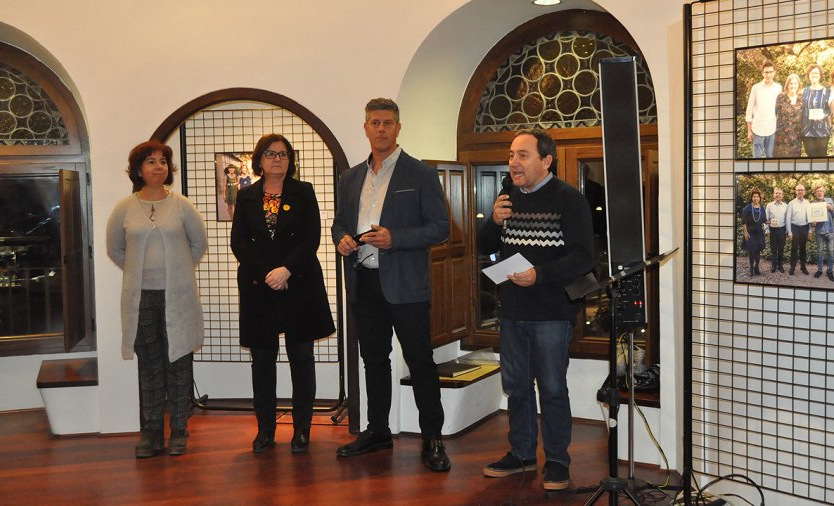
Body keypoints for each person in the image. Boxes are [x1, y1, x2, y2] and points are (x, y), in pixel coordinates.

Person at [331, 98, 451, 472]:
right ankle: (378, 429)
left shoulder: (420, 174)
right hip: (364, 282)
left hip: (407, 286)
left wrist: (394, 238)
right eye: (374, 123)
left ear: (398, 128)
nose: (381, 129)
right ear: (365, 128)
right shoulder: (350, 177)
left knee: (420, 362)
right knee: (373, 362)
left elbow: (441, 228)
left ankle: (432, 438)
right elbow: (339, 224)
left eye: (387, 123)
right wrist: (343, 240)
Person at [478, 130, 595, 491]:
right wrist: (493, 222)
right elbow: (484, 246)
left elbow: (583, 257)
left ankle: (558, 460)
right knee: (516, 387)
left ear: (546, 161)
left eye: (523, 155)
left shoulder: (568, 199)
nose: (514, 162)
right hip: (512, 309)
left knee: (552, 388)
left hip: (551, 312)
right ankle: (522, 453)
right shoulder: (507, 197)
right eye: (512, 154)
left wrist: (539, 274)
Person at [230, 133, 335, 454]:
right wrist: (268, 273)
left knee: (302, 358)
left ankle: (302, 430)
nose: (278, 159)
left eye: (284, 154)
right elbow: (240, 243)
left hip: (299, 283)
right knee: (262, 361)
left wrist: (286, 269)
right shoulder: (246, 195)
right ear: (259, 160)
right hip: (259, 288)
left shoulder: (303, 192)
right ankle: (265, 430)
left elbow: (311, 238)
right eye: (271, 154)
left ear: (291, 161)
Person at [106, 140, 208, 458]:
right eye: (151, 161)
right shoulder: (124, 207)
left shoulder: (182, 206)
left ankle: (179, 430)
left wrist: (175, 272)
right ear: (138, 169)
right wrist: (142, 274)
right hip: (141, 299)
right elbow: (115, 249)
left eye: (163, 161)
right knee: (149, 367)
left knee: (178, 363)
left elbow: (198, 244)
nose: (158, 166)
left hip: (178, 297)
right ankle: (151, 432)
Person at [745, 60, 781, 158]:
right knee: (757, 158)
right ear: (762, 73)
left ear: (774, 72)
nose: (768, 74)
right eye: (766, 72)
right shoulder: (756, 88)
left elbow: (780, 109)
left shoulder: (778, 88)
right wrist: (749, 131)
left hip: (772, 129)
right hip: (758, 129)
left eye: (770, 72)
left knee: (770, 156)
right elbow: (749, 110)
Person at [800, 64, 833, 157]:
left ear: (820, 75)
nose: (814, 75)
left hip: (822, 129)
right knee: (811, 157)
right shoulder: (803, 91)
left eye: (816, 73)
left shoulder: (828, 92)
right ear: (808, 75)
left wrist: (824, 114)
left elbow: (831, 111)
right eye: (812, 73)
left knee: (821, 157)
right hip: (807, 130)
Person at [773, 73, 803, 157]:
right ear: (787, 85)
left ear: (798, 84)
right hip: (782, 136)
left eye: (795, 83)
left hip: (796, 137)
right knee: (781, 163)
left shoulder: (802, 98)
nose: (793, 85)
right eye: (791, 83)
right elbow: (774, 114)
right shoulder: (781, 97)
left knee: (794, 163)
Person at [740, 188, 766, 277]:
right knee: (751, 252)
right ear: (751, 198)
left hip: (759, 233)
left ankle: (757, 267)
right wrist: (745, 232)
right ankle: (751, 268)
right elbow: (743, 222)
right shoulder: (746, 209)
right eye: (754, 196)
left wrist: (771, 222)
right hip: (750, 233)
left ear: (759, 198)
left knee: (758, 252)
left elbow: (764, 220)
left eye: (757, 197)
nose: (755, 198)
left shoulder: (762, 208)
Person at [786, 184, 811, 275]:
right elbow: (788, 218)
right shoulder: (791, 203)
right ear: (795, 191)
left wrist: (810, 231)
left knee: (803, 248)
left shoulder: (807, 203)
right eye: (798, 190)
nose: (800, 191)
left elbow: (810, 218)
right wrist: (789, 232)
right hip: (794, 228)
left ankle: (803, 267)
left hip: (804, 227)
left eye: (801, 190)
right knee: (794, 248)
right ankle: (792, 267)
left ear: (804, 191)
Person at [811, 185, 834, 281]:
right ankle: (819, 270)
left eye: (821, 191)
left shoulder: (829, 201)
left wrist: (832, 208)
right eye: (818, 191)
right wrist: (813, 222)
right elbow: (812, 221)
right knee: (820, 252)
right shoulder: (813, 204)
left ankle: (829, 271)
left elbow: (833, 214)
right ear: (816, 193)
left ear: (824, 192)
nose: (819, 193)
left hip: (830, 230)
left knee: (831, 252)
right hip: (819, 231)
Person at [765, 187, 788, 272]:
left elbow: (787, 219)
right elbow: (766, 219)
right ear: (774, 194)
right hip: (773, 230)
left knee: (781, 249)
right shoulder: (769, 205)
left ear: (782, 195)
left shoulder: (786, 206)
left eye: (779, 193)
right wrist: (767, 230)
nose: (778, 194)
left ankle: (780, 266)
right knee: (773, 249)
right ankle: (773, 266)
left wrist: (787, 231)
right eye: (776, 193)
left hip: (782, 230)